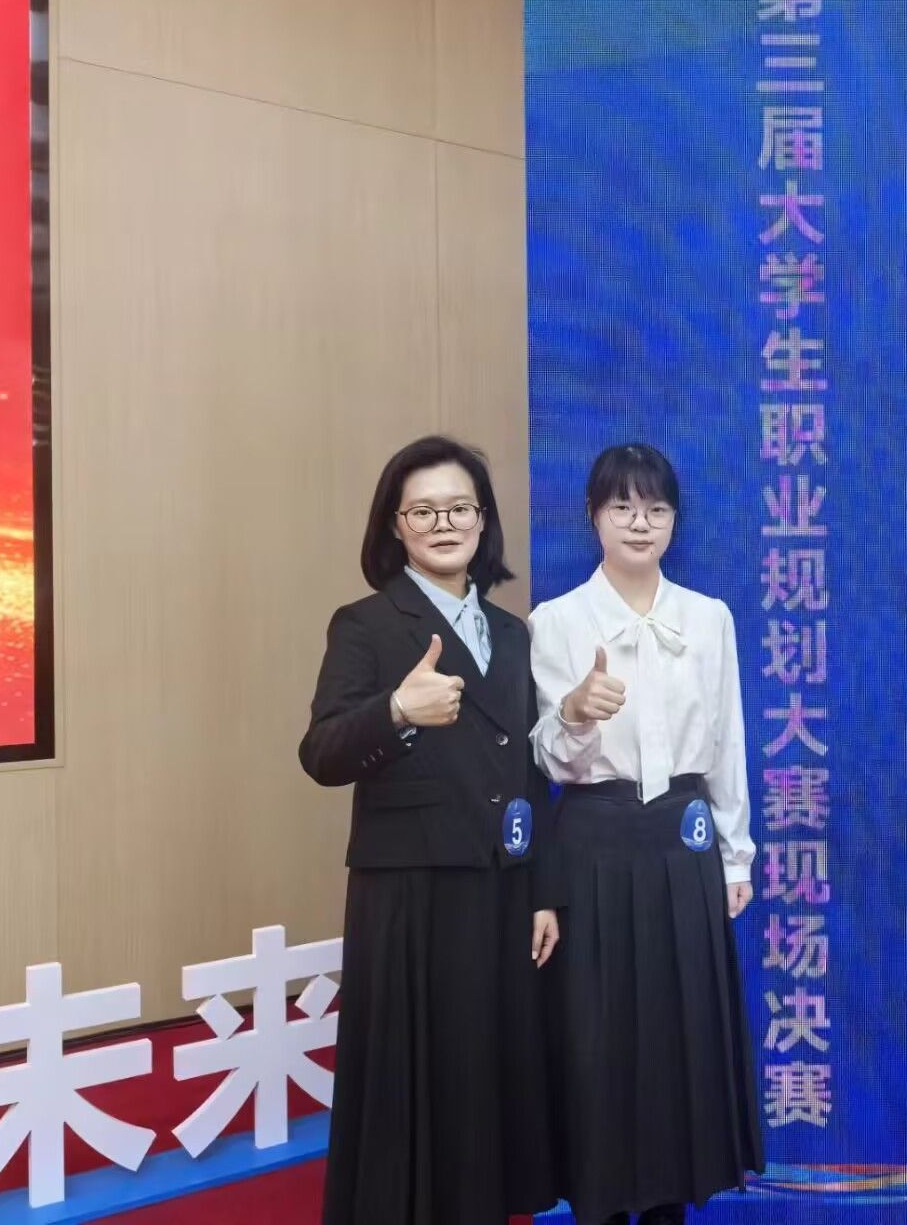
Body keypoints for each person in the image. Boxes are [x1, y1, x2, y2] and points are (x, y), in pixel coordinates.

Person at [299, 435, 560, 1224]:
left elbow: (530, 771)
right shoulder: (366, 624)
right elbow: (320, 753)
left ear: (483, 520)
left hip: (502, 889)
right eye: (423, 511)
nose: (444, 523)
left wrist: (542, 891)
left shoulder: (513, 633)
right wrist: (396, 711)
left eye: (458, 507)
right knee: (411, 1094)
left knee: (487, 1085)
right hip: (409, 896)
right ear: (395, 525)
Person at [529, 443, 763, 1225]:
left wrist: (735, 854)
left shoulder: (708, 617)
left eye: (656, 508)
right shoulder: (555, 622)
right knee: (596, 1038)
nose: (640, 522)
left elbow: (726, 742)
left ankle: (668, 1206)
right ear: (592, 515)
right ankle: (597, 1203)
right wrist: (575, 714)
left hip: (683, 846)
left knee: (677, 1037)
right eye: (622, 507)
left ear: (674, 520)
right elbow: (544, 759)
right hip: (592, 845)